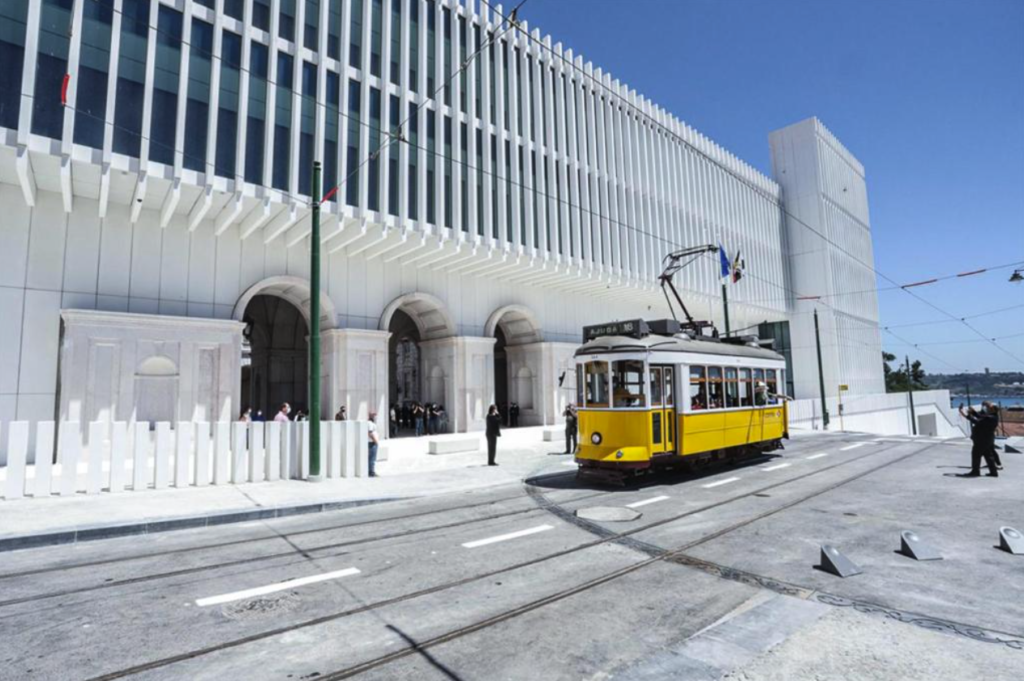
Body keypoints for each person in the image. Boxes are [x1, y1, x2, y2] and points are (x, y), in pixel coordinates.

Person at [959, 402, 999, 477]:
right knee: (988, 455)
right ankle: (993, 472)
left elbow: (977, 421)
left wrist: (967, 415)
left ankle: (975, 471)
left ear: (993, 409)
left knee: (976, 455)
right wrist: (973, 412)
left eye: (989, 408)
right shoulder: (993, 417)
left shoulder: (990, 418)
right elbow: (980, 416)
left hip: (981, 440)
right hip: (987, 440)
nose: (987, 409)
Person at [367, 411, 379, 477]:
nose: (375, 417)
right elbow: (370, 433)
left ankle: (370, 471)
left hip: (372, 442)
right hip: (372, 443)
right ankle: (371, 472)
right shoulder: (370, 423)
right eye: (374, 415)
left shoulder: (370, 423)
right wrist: (375, 441)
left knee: (371, 458)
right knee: (372, 458)